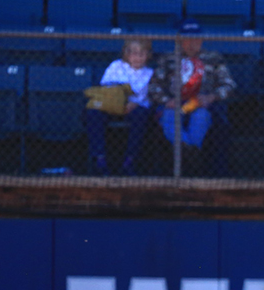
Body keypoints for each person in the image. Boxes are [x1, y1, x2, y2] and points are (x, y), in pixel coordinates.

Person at [147, 19, 235, 175]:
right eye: (187, 39)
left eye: (196, 38)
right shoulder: (168, 59)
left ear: (201, 39)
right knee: (169, 116)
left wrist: (211, 97)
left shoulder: (213, 58)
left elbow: (228, 85)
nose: (192, 43)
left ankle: (187, 155)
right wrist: (167, 101)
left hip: (201, 104)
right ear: (180, 40)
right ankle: (191, 156)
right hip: (174, 105)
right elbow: (154, 87)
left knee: (200, 117)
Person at [86, 38, 154, 176]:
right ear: (126, 54)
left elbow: (148, 97)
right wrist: (119, 102)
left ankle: (130, 160)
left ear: (148, 55)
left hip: (135, 107)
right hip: (112, 105)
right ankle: (99, 159)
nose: (137, 57)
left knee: (142, 116)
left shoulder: (150, 73)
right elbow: (106, 87)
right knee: (93, 113)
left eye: (142, 53)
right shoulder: (116, 66)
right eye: (133, 53)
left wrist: (134, 104)